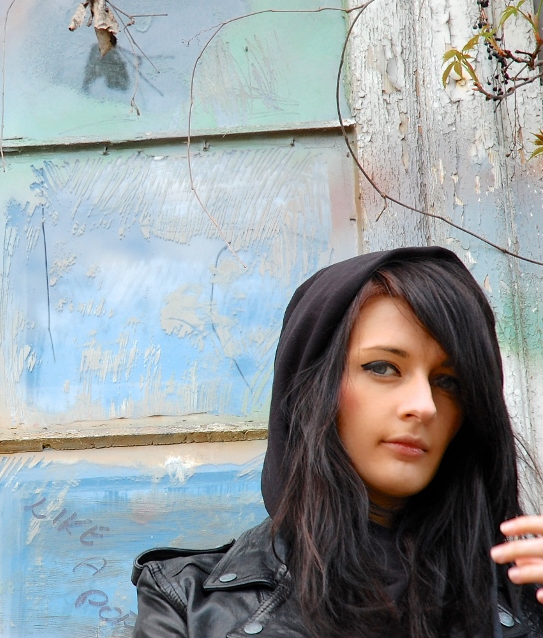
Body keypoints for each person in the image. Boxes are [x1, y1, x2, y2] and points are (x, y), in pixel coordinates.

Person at [131, 247, 543, 637]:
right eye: (383, 367)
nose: (424, 405)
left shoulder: (528, 599)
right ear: (312, 387)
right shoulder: (188, 603)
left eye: (448, 381)